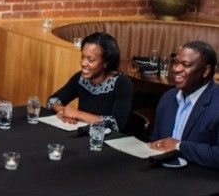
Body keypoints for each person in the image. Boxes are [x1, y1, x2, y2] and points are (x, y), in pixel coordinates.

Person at [149, 41, 219, 169]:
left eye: (186, 65)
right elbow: (156, 140)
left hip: (200, 180)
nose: (176, 69)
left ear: (205, 71)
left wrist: (179, 146)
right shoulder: (168, 98)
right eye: (176, 63)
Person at [46, 32, 133, 131]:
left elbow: (116, 124)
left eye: (90, 60)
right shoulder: (81, 78)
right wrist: (63, 112)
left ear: (106, 62)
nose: (83, 63)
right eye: (82, 57)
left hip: (108, 141)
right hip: (83, 134)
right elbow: (52, 100)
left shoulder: (123, 83)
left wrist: (77, 114)